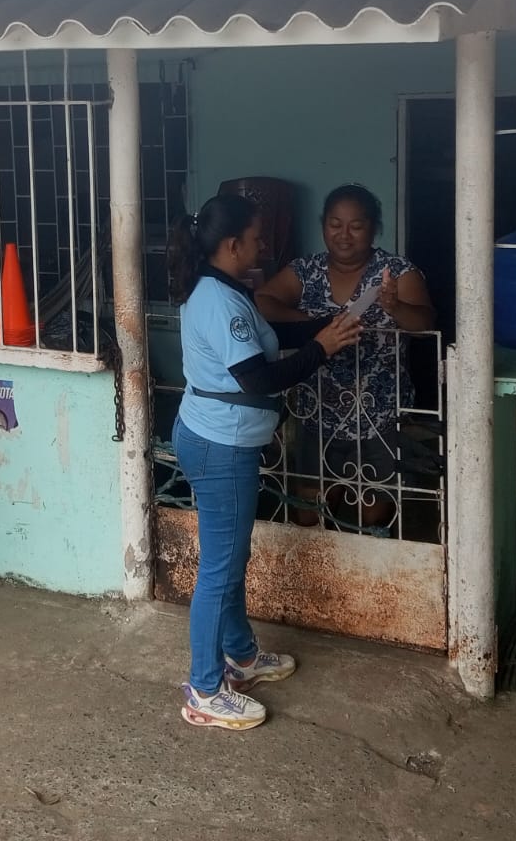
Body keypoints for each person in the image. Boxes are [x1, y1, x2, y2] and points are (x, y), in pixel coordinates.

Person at [168, 193, 362, 731]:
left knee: (230, 556)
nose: (263, 246)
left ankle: (242, 657)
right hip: (221, 445)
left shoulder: (226, 287)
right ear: (232, 245)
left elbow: (270, 339)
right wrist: (323, 348)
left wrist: (327, 326)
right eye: (256, 238)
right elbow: (258, 377)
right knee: (220, 568)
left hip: (218, 437)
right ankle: (205, 690)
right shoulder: (219, 300)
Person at [256, 184, 435, 530]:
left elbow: (425, 325)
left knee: (375, 519)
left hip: (380, 416)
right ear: (323, 224)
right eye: (335, 224)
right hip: (316, 412)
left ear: (374, 227)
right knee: (310, 515)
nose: (344, 235)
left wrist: (395, 306)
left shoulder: (396, 272)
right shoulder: (306, 269)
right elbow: (263, 302)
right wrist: (315, 325)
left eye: (356, 226)